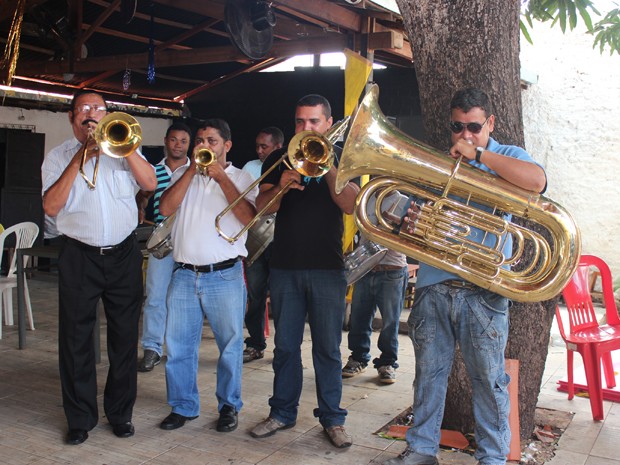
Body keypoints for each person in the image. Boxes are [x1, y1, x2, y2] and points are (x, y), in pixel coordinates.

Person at [384, 88, 547, 465]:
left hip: (483, 292)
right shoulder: (439, 161)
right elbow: (413, 211)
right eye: (458, 127)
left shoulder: (506, 156)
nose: (465, 134)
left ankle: (492, 458)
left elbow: (536, 181)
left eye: (474, 126)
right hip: (434, 286)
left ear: (489, 123)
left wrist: (479, 155)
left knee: (489, 384)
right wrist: (410, 219)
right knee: (428, 377)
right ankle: (421, 450)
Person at [41, 90, 157, 445]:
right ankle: (80, 419)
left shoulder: (124, 147)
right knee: (76, 341)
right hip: (79, 255)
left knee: (124, 339)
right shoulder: (57, 157)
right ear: (72, 117)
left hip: (122, 254)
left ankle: (120, 414)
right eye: (85, 109)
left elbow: (150, 183)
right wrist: (82, 154)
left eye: (99, 109)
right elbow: (51, 206)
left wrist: (125, 149)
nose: (92, 114)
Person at [250, 95, 360, 449]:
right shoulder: (280, 157)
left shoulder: (344, 158)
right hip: (285, 267)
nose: (306, 128)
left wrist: (326, 166)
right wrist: (282, 184)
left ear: (328, 124)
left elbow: (350, 205)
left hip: (328, 268)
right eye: (300, 122)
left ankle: (332, 419)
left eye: (313, 122)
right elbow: (261, 208)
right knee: (284, 347)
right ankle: (282, 412)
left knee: (328, 350)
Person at [157, 118, 257, 434]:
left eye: (211, 141)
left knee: (229, 346)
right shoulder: (185, 175)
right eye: (200, 140)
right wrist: (190, 170)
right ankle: (183, 406)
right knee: (178, 346)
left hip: (224, 276)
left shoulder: (241, 177)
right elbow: (164, 208)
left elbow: (247, 219)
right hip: (185, 275)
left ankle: (229, 406)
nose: (204, 146)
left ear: (227, 146)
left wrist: (220, 178)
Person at [136, 122, 192, 372]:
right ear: (165, 141)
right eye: (174, 140)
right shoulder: (152, 170)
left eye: (183, 141)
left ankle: (179, 350)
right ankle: (152, 348)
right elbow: (143, 195)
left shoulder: (199, 170)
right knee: (156, 295)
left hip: (191, 239)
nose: (178, 145)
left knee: (184, 299)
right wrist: (140, 203)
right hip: (162, 239)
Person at [342, 193, 409, 384]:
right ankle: (358, 358)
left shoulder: (405, 200)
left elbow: (415, 236)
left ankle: (387, 363)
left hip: (393, 269)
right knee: (359, 317)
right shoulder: (366, 197)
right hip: (366, 267)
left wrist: (397, 224)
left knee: (390, 322)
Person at [241, 126, 284, 363]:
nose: (259, 151)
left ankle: (283, 348)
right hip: (255, 238)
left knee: (282, 297)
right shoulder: (249, 168)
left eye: (264, 146)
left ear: (278, 147)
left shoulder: (289, 165)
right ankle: (255, 343)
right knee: (255, 295)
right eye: (257, 146)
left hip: (280, 240)